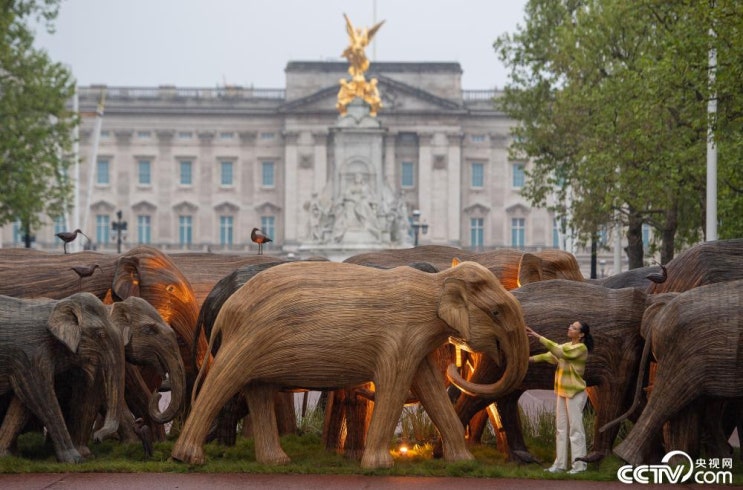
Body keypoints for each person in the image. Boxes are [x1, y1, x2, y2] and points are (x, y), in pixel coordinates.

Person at [525, 321, 594, 474]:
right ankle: (560, 465)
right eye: (570, 326)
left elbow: (560, 353)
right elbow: (549, 355)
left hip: (575, 393)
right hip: (562, 392)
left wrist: (537, 336)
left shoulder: (581, 348)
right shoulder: (566, 346)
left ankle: (579, 466)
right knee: (561, 429)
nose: (570, 328)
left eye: (574, 328)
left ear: (581, 334)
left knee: (576, 430)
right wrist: (526, 360)